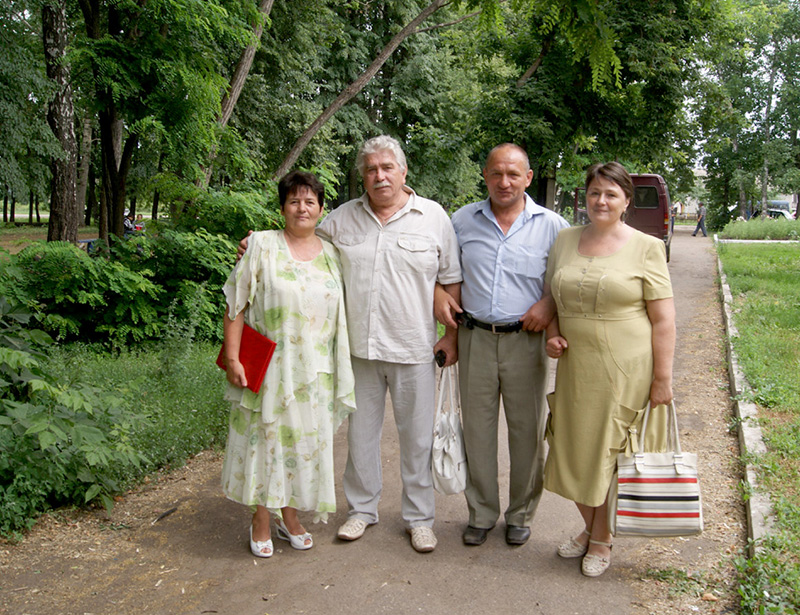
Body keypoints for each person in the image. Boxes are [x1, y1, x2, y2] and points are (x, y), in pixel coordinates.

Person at [239, 136, 461, 553]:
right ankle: (362, 511)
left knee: (416, 440)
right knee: (360, 438)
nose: (380, 176)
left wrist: (450, 335)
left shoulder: (433, 217)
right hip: (356, 351)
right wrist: (257, 244)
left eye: (387, 168)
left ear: (403, 171)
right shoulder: (341, 219)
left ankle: (419, 519)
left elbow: (449, 278)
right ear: (363, 175)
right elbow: (298, 240)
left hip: (414, 348)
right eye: (371, 169)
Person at [542, 161, 675, 577]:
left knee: (612, 455)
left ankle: (600, 538)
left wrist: (662, 379)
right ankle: (591, 526)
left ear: (626, 202)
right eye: (595, 192)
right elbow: (552, 297)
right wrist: (552, 332)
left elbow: (664, 319)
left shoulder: (646, 246)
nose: (601, 200)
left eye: (611, 194)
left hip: (626, 368)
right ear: (585, 197)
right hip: (577, 367)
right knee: (572, 450)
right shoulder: (564, 239)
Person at [434, 143, 569, 548]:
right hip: (474, 336)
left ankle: (520, 514)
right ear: (485, 175)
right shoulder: (461, 221)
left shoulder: (553, 226)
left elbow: (567, 278)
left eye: (514, 174)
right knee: (476, 431)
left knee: (526, 433)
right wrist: (440, 299)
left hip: (525, 342)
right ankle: (482, 512)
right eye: (496, 173)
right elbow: (441, 270)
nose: (504, 182)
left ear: (528, 178)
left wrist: (548, 304)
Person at [221, 170, 356, 559]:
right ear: (282, 207)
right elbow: (235, 303)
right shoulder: (262, 246)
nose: (302, 207)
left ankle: (289, 516)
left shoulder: (332, 255)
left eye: (309, 201)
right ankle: (260, 519)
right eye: (294, 200)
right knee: (267, 444)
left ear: (320, 208)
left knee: (303, 446)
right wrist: (233, 357)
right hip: (271, 369)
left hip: (316, 373)